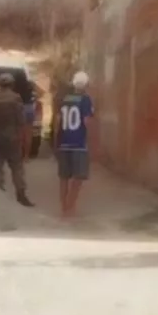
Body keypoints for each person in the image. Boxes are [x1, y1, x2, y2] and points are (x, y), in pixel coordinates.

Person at [0, 73, 35, 207]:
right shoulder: (15, 99)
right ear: (12, 84)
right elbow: (21, 120)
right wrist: (22, 138)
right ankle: (21, 195)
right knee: (17, 167)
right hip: (11, 137)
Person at [54, 71, 94, 218]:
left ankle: (63, 206)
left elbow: (58, 122)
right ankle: (71, 206)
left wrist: (57, 141)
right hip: (78, 143)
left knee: (63, 177)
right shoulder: (86, 99)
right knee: (79, 177)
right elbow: (86, 122)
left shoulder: (65, 99)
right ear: (86, 85)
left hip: (64, 142)